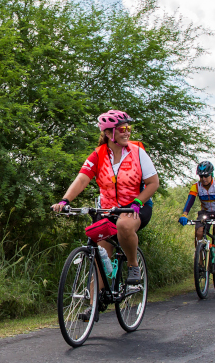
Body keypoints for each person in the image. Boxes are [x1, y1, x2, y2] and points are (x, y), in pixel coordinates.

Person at [52, 110, 160, 320]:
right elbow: (82, 179)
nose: (127, 132)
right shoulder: (99, 154)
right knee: (100, 253)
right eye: (122, 128)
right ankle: (93, 305)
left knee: (124, 226)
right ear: (109, 133)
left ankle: (133, 266)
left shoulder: (138, 152)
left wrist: (138, 201)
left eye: (128, 128)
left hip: (137, 206)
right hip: (108, 210)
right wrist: (65, 201)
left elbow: (153, 183)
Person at [178, 161, 215, 267]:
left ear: (211, 174)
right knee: (199, 232)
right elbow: (190, 201)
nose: (203, 179)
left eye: (206, 176)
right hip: (205, 212)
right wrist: (184, 214)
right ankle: (200, 262)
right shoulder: (196, 186)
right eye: (201, 176)